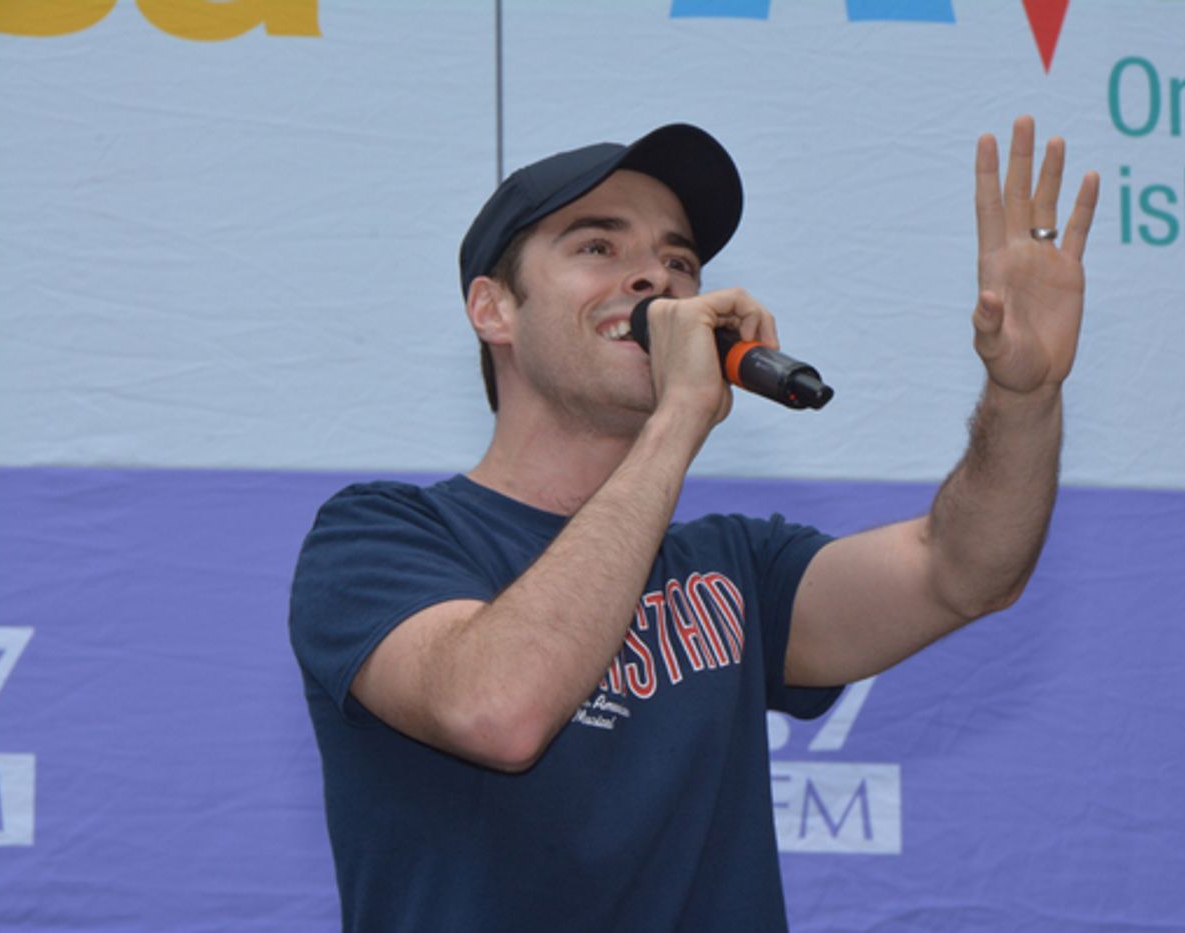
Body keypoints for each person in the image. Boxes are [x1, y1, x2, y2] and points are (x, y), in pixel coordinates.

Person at [289, 119, 1098, 932]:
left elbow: (962, 570)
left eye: (679, 261)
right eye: (598, 247)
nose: (657, 280)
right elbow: (496, 710)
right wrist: (679, 414)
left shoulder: (737, 563)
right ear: (492, 308)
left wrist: (1024, 396)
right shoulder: (377, 538)